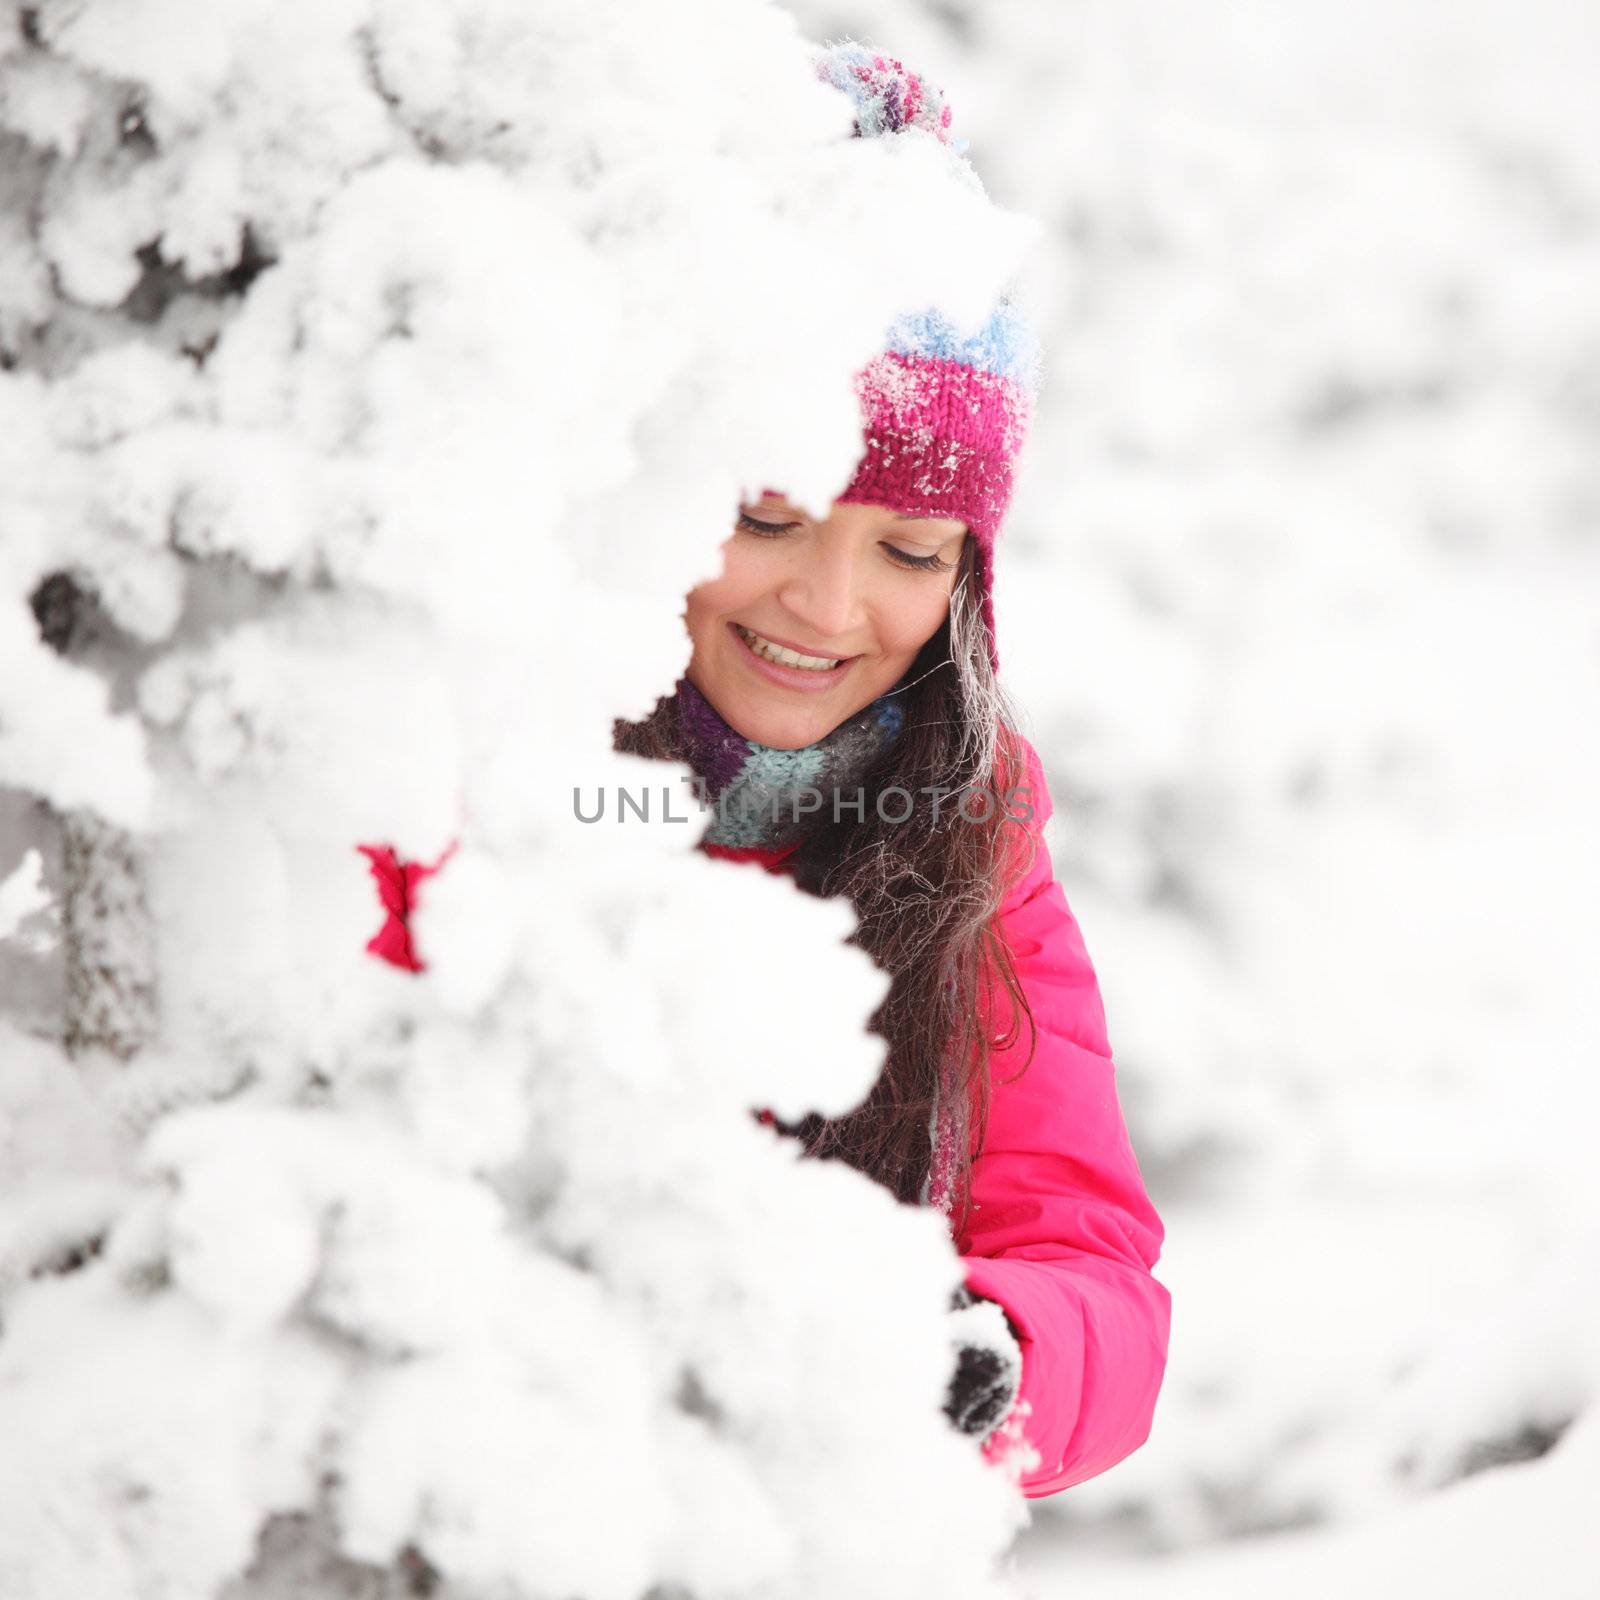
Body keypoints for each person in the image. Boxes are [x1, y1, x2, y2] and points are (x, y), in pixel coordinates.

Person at [361, 42, 1170, 1499]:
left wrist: (1000, 1353)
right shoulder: (455, 764)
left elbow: (1083, 1248)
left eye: (912, 553)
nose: (828, 607)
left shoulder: (966, 828)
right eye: (772, 517)